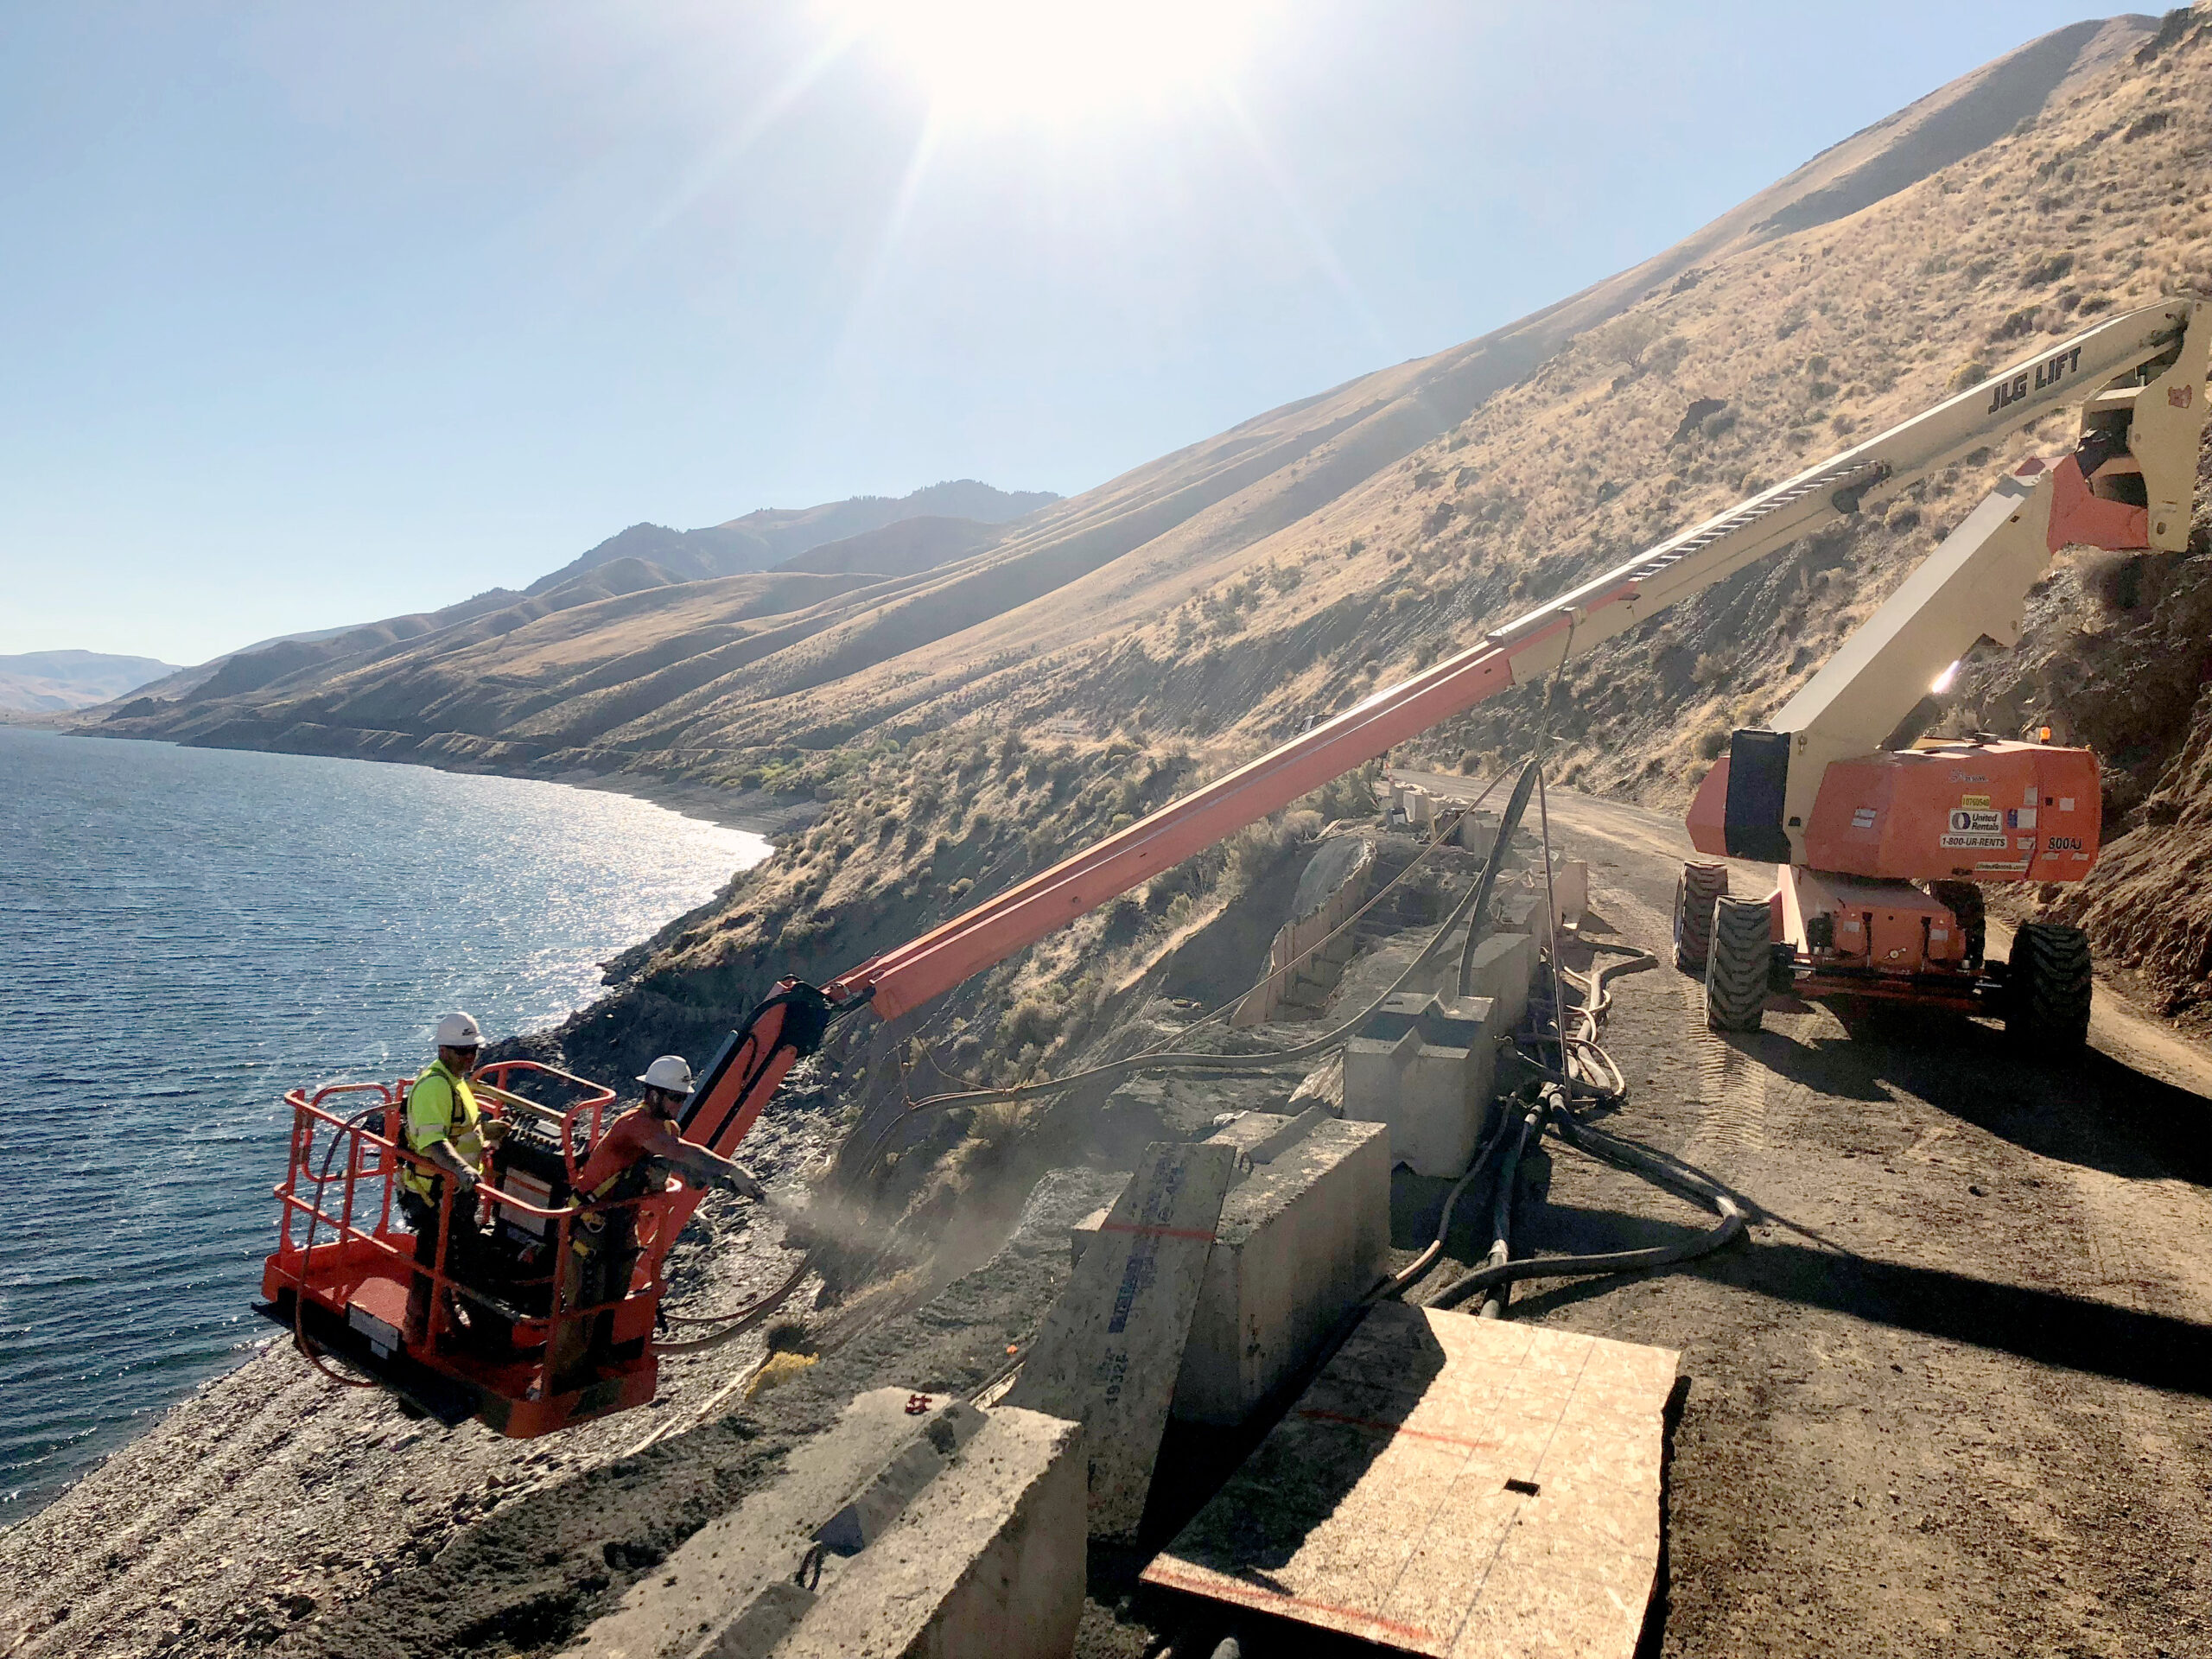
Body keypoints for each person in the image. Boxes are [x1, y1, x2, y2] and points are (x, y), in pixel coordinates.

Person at [552, 1054, 764, 1383]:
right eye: (675, 1097)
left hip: (621, 1222)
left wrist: (716, 1178)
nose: (679, 1104)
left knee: (614, 1295)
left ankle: (598, 1359)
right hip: (591, 1224)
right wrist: (730, 1169)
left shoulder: (665, 1127)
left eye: (683, 1098)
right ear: (653, 1094)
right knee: (585, 1303)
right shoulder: (634, 1124)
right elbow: (681, 1152)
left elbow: (671, 1155)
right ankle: (562, 1376)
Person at [398, 1010, 503, 1347]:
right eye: (463, 1051)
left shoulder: (455, 1082)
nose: (470, 1057)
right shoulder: (435, 1087)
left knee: (437, 1260)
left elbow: (456, 1131)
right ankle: (484, 1337)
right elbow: (433, 1143)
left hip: (450, 1191)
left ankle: (428, 1327)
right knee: (463, 1262)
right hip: (434, 1194)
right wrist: (462, 1170)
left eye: (474, 1051)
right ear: (444, 1050)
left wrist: (486, 1136)